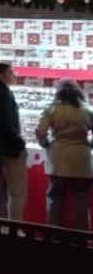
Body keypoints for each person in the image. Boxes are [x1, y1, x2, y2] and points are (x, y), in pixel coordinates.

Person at [36, 80, 93, 230]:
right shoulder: (87, 111)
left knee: (54, 199)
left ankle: (53, 236)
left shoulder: (51, 110)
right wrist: (88, 143)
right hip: (81, 161)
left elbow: (40, 132)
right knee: (80, 201)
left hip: (57, 160)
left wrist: (46, 144)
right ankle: (80, 239)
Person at [0, 62, 27, 221]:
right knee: (16, 191)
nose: (14, 75)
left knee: (0, 187)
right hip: (10, 149)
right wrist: (19, 143)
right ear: (1, 75)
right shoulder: (4, 95)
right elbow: (6, 123)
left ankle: (1, 224)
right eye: (11, 72)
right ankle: (15, 226)